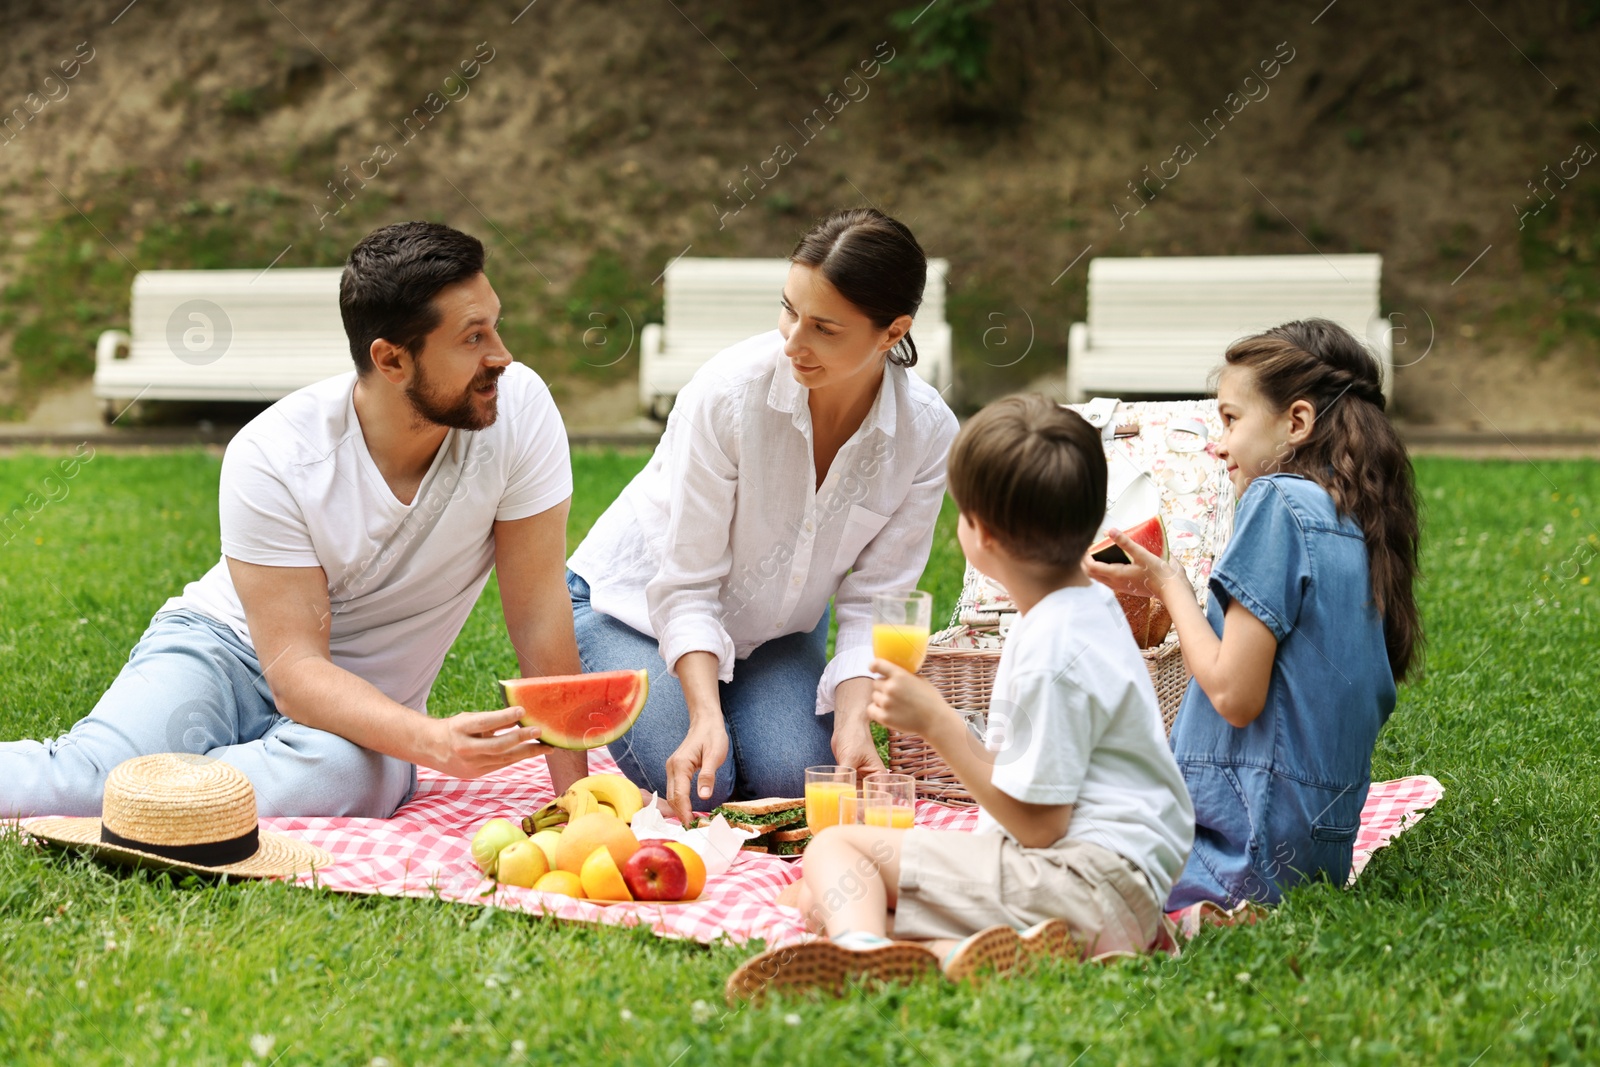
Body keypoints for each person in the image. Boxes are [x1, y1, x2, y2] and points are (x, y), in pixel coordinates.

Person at [0, 221, 587, 819]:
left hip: (366, 716)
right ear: (391, 360)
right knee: (83, 779)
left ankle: (151, 795)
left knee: (344, 777)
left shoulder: (519, 412)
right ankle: (139, 789)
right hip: (226, 649)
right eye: (473, 337)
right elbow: (296, 670)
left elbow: (540, 610)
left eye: (497, 325)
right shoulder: (274, 455)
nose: (502, 356)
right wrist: (432, 742)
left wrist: (578, 804)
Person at [726, 396, 1195, 999]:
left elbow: (1040, 826)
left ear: (984, 537)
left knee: (838, 848)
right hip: (1125, 892)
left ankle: (863, 959)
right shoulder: (1087, 610)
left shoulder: (1054, 643)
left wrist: (941, 725)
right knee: (834, 895)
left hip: (1077, 880)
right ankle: (966, 955)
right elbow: (1034, 781)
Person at [567, 208, 959, 824]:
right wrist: (703, 715)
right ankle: (673, 685)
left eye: (825, 328)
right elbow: (688, 584)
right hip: (635, 606)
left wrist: (855, 721)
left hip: (773, 633)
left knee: (798, 782)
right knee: (706, 787)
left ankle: (741, 704)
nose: (794, 342)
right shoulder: (727, 395)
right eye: (789, 310)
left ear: (891, 333)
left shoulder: (926, 432)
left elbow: (877, 600)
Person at [1089, 318, 1422, 910]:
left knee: (1019, 848)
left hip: (1236, 847)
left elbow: (1232, 694)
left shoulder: (1279, 501)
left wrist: (1169, 586)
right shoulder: (1358, 521)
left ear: (1297, 421)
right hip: (1316, 851)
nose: (1218, 443)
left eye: (1230, 419)